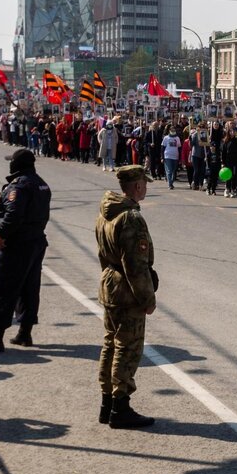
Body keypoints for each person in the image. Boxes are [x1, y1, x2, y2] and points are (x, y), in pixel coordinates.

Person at [0, 149, 52, 353]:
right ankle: (25, 332)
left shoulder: (20, 186)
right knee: (29, 288)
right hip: (35, 241)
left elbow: (14, 214)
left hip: (16, 244)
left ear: (17, 164)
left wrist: (2, 234)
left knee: (3, 289)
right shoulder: (41, 184)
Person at [95, 165, 157, 428]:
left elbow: (102, 253)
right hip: (127, 289)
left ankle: (107, 403)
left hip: (110, 283)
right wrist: (147, 298)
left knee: (111, 343)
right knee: (127, 346)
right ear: (137, 186)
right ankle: (120, 407)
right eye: (145, 182)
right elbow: (135, 264)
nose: (146, 187)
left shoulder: (107, 212)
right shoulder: (130, 217)